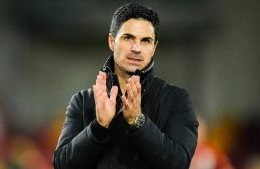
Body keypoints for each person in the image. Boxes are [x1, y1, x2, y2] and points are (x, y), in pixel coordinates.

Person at [53, 3, 198, 169]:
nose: (136, 48)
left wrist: (139, 122)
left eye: (145, 41)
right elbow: (62, 165)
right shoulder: (82, 101)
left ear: (154, 48)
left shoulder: (177, 99)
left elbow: (179, 164)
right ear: (111, 41)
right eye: (128, 38)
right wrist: (98, 128)